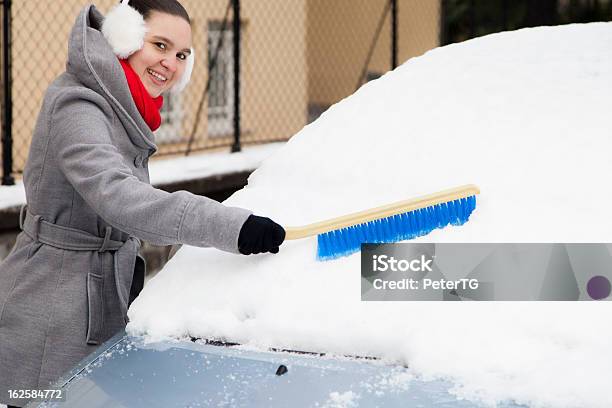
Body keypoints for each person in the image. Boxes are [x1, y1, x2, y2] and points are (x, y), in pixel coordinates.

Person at [0, 1, 285, 406]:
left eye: (182, 54)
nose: (170, 63)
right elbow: (117, 196)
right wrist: (230, 226)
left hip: (94, 305)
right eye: (160, 45)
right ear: (124, 38)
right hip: (49, 317)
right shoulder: (78, 105)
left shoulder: (126, 107)